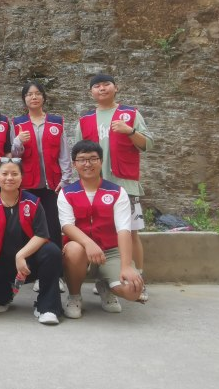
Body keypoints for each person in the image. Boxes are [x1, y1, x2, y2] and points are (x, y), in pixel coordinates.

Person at [75, 74, 153, 302]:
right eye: (96, 86)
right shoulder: (85, 120)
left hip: (125, 184)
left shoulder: (130, 114)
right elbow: (77, 153)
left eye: (106, 84)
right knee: (99, 231)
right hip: (95, 186)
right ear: (91, 92)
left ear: (116, 88)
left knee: (131, 232)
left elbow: (148, 144)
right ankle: (105, 279)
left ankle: (138, 279)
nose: (102, 89)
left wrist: (130, 131)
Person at [0, 157, 63, 325]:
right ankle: (3, 295)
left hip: (29, 262)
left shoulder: (32, 202)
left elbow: (42, 235)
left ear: (21, 177)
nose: (9, 178)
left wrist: (21, 255)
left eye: (14, 174)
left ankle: (47, 307)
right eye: (5, 174)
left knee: (52, 251)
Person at [58, 140, 145, 319]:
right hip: (81, 251)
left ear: (101, 161)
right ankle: (74, 296)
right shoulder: (67, 193)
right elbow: (67, 225)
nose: (87, 164)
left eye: (93, 159)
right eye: (82, 159)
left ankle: (106, 285)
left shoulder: (117, 192)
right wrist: (88, 243)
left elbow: (123, 230)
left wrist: (126, 266)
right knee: (73, 249)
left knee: (133, 291)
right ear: (74, 164)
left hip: (110, 252)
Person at [11, 81, 73, 293]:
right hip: (28, 185)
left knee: (53, 228)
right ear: (24, 99)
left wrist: (65, 179)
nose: (34, 97)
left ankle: (56, 276)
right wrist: (18, 141)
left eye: (37, 93)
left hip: (52, 186)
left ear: (44, 97)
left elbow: (64, 153)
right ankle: (35, 274)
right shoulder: (18, 123)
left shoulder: (56, 122)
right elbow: (14, 156)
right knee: (31, 230)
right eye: (29, 94)